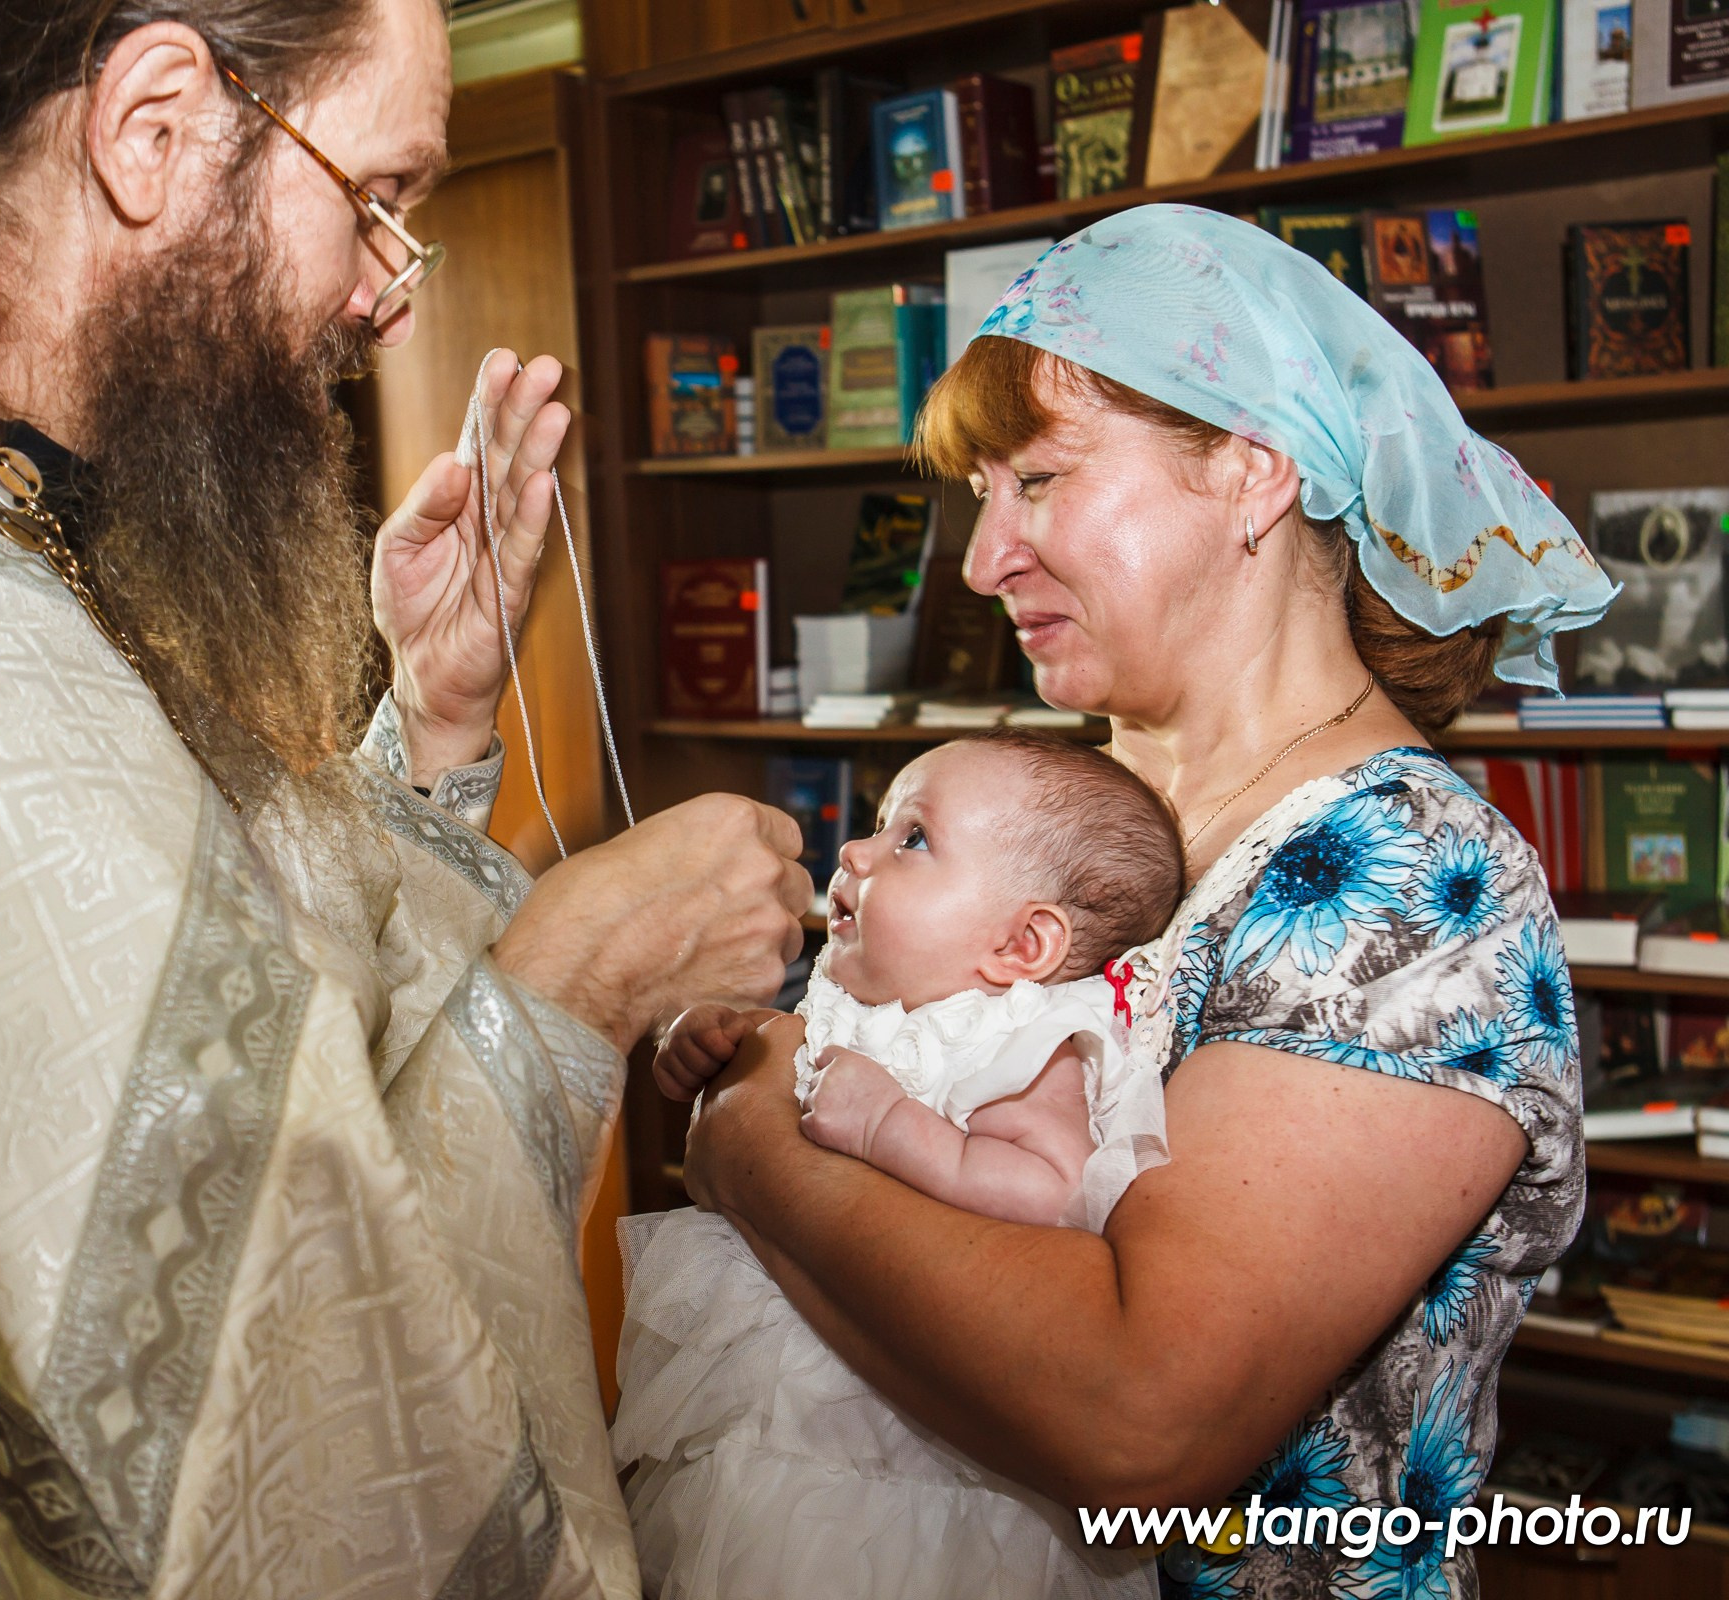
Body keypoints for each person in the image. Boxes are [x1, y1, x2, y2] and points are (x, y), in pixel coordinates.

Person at [0, 2, 806, 1594]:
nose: (389, 297)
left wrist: (425, 728)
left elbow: (219, 1032)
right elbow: (268, 1370)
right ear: (156, 122)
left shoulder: (5, 513)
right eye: (380, 201)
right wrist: (573, 988)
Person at [680, 205, 1613, 1599]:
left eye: (1042, 480)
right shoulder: (1055, 821)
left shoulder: (1410, 881)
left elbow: (1136, 1415)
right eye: (982, 495)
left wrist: (748, 1134)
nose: (984, 560)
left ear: (1251, 470)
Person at [615, 731, 1184, 1599]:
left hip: (913, 1485)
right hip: (774, 1432)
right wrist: (703, 1039)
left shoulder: (1020, 1040)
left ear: (1023, 945)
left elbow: (1049, 1186)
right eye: (881, 825)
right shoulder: (852, 999)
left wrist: (890, 1126)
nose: (855, 849)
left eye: (911, 838)